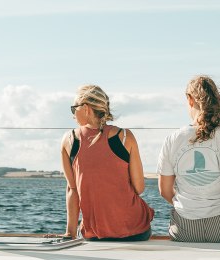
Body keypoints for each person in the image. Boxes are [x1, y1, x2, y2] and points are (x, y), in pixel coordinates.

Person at [60, 84, 153, 241]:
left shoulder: (69, 140)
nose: (73, 114)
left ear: (86, 108)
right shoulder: (125, 136)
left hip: (95, 234)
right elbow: (139, 187)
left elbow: (72, 190)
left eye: (73, 108)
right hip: (136, 230)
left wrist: (70, 233)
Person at [158, 76, 220, 243]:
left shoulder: (172, 139)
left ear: (190, 99)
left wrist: (190, 206)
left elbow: (165, 191)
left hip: (185, 227)